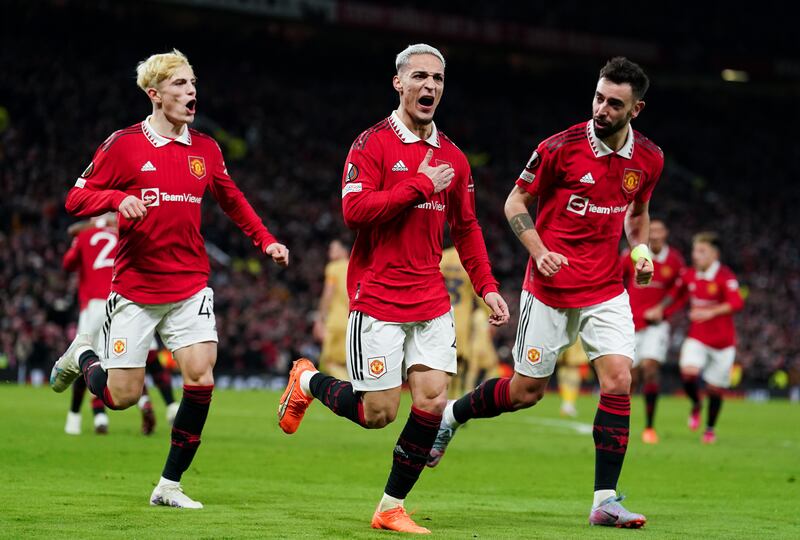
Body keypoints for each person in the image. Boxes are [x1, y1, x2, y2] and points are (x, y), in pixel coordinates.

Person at [277, 44, 509, 534]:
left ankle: (390, 506)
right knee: (377, 414)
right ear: (398, 83)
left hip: (429, 297)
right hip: (378, 295)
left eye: (439, 79)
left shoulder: (454, 157)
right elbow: (354, 213)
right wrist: (420, 185)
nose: (430, 87)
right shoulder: (371, 144)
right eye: (420, 77)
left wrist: (487, 286)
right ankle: (307, 382)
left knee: (431, 399)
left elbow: (466, 230)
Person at [427, 57, 664, 529]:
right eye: (599, 97)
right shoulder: (559, 148)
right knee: (525, 392)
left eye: (615, 104)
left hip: (605, 289)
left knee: (618, 380)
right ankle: (452, 415)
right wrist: (538, 250)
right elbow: (515, 201)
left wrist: (639, 251)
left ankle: (605, 500)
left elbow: (637, 214)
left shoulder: (649, 159)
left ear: (636, 109)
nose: (602, 109)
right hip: (550, 288)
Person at [50, 49, 289, 509]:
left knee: (201, 376)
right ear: (155, 94)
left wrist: (266, 241)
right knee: (122, 397)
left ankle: (170, 485)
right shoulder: (123, 145)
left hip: (189, 284)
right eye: (180, 84)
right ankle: (82, 355)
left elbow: (232, 200)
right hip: (136, 289)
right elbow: (75, 199)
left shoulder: (206, 149)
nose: (191, 91)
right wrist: (117, 199)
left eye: (193, 83)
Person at [62, 216, 178, 436]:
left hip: (94, 306)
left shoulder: (85, 234)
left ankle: (79, 418)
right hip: (126, 303)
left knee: (87, 359)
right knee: (141, 357)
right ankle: (167, 404)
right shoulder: (126, 234)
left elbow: (68, 263)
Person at [644, 232, 744, 444]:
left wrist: (711, 312)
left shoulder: (725, 276)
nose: (696, 255)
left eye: (702, 251)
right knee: (688, 374)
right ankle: (696, 403)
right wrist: (660, 309)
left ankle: (709, 429)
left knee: (715, 389)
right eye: (695, 251)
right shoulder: (688, 274)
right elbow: (675, 294)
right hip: (697, 337)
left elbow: (737, 303)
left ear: (714, 254)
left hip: (723, 343)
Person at [621, 219, 685, 443]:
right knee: (630, 377)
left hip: (656, 327)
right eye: (653, 230)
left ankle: (649, 427)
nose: (655, 234)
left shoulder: (675, 261)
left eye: (659, 230)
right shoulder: (633, 255)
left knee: (650, 368)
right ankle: (621, 424)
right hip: (630, 322)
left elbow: (682, 292)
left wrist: (664, 311)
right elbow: (616, 278)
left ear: (666, 233)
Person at [440, 244, 476, 397]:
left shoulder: (441, 258)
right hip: (461, 319)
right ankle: (453, 400)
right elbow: (479, 292)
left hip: (441, 315)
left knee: (441, 363)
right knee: (459, 364)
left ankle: (441, 398)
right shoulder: (468, 260)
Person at [312, 239, 351, 380]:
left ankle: (351, 394)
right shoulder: (354, 267)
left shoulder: (333, 267)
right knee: (347, 363)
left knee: (329, 362)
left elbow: (328, 294)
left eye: (334, 249)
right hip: (352, 322)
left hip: (336, 323)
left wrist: (319, 320)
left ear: (344, 251)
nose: (330, 252)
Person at [556, 338, 589, 418]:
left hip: (568, 365)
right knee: (570, 386)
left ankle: (568, 405)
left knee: (569, 385)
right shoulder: (578, 337)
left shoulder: (566, 335)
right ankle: (568, 405)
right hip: (572, 365)